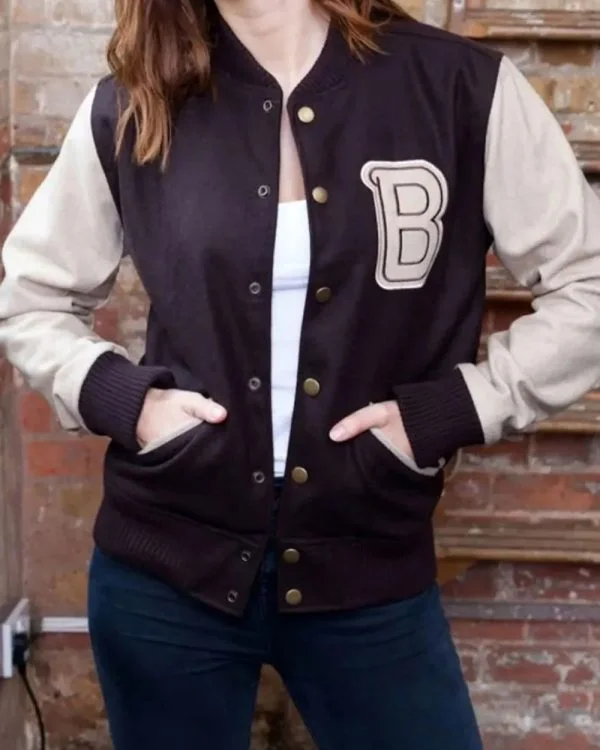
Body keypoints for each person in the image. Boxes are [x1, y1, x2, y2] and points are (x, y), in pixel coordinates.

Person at [1, 0, 600, 747]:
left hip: (370, 562)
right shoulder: (134, 101)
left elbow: (589, 286)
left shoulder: (460, 88)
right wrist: (131, 405)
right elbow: (30, 298)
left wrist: (449, 412)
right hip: (165, 571)